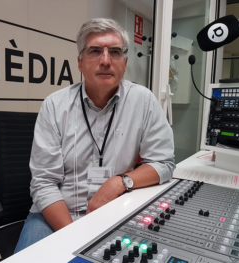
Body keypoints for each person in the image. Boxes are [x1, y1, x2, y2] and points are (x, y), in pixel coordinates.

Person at [14, 18, 175, 253]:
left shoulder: (143, 101)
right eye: (95, 51)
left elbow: (163, 162)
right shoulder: (54, 106)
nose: (106, 60)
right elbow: (44, 182)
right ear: (80, 62)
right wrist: (75, 237)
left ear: (125, 62)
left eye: (115, 52)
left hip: (115, 212)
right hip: (54, 215)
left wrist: (120, 182)